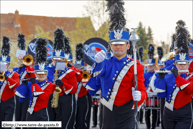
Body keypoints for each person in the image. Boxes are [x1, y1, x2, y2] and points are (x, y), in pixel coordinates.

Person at [86, 1, 147, 128]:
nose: (118, 47)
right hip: (108, 112)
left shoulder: (135, 65)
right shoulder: (104, 63)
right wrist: (97, 65)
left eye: (121, 44)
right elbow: (91, 89)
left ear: (128, 45)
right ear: (110, 45)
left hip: (128, 112)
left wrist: (140, 95)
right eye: (115, 44)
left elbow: (142, 90)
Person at [155, 25, 193, 129]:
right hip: (168, 113)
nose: (182, 66)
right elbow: (161, 95)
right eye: (179, 64)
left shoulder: (191, 77)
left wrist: (178, 77)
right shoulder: (168, 76)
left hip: (185, 114)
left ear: (188, 65)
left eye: (184, 64)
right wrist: (161, 78)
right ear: (175, 64)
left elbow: (190, 89)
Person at [47, 28, 77, 129]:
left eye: (59, 60)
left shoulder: (70, 71)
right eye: (55, 60)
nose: (57, 62)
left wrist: (63, 83)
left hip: (65, 100)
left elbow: (74, 89)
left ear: (64, 60)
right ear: (52, 60)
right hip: (51, 99)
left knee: (64, 124)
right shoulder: (48, 70)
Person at [13, 33, 36, 122]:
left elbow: (34, 77)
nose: (21, 60)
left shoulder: (30, 69)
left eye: (23, 58)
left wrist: (29, 66)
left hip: (26, 94)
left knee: (24, 116)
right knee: (17, 115)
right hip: (17, 94)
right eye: (20, 58)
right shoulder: (15, 69)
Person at [0, 36, 20, 128]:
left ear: (8, 65)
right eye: (1, 64)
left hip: (9, 103)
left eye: (6, 64)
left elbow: (17, 86)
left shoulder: (14, 74)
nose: (4, 66)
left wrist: (7, 77)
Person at [144, 44, 158, 129]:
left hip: (154, 94)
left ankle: (153, 127)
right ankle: (148, 127)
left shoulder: (156, 74)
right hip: (147, 94)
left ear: (154, 66)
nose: (150, 67)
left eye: (151, 66)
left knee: (155, 112)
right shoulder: (144, 74)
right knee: (147, 113)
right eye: (149, 66)